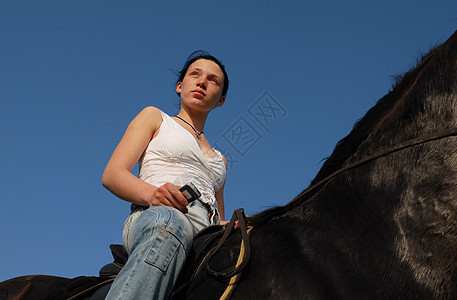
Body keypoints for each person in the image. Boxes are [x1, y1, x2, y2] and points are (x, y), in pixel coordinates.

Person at [102, 50, 229, 299]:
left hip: (205, 233)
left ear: (221, 100)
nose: (202, 81)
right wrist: (154, 194)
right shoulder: (156, 118)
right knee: (171, 224)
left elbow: (218, 216)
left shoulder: (220, 159)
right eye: (195, 74)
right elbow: (112, 174)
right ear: (180, 86)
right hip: (157, 216)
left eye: (213, 80)